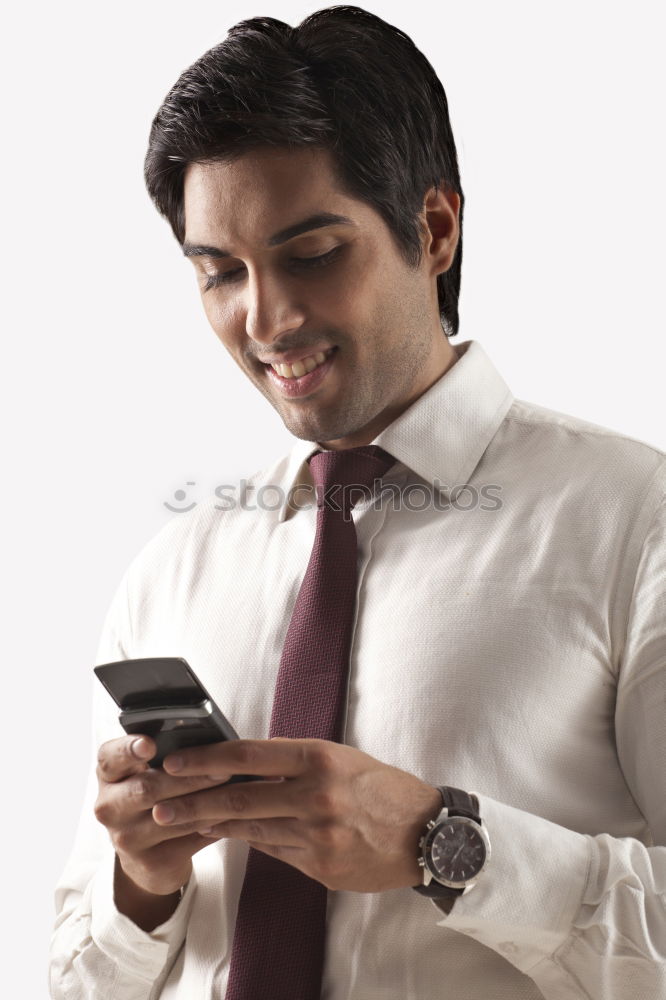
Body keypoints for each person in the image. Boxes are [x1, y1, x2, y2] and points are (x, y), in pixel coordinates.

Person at [49, 6, 666, 999]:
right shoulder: (173, 571)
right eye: (221, 274)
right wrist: (144, 882)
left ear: (434, 228)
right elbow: (78, 981)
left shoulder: (638, 521)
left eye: (313, 253)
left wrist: (444, 842)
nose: (266, 318)